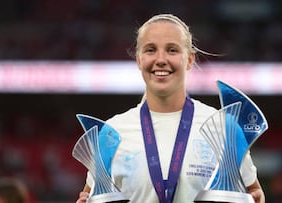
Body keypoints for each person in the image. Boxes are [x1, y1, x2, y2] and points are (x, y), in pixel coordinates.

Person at [76, 13, 265, 203]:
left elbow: (253, 191)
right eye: (150, 50)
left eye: (172, 50)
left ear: (190, 59)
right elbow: (91, 194)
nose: (161, 59)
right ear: (139, 59)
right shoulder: (111, 133)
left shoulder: (224, 128)